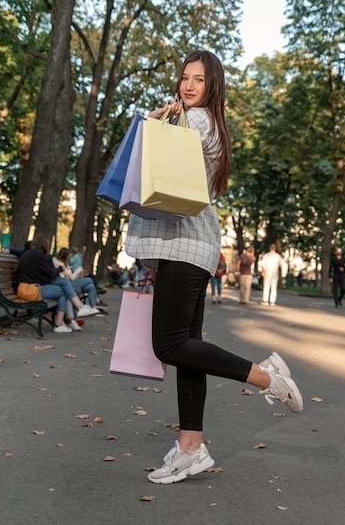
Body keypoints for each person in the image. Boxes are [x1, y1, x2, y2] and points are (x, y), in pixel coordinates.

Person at [124, 50, 303, 485]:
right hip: (186, 247)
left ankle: (267, 378)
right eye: (184, 78)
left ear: (212, 86)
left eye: (198, 80)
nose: (188, 86)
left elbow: (153, 168)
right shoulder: (197, 122)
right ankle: (190, 448)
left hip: (185, 246)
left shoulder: (197, 121)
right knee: (188, 351)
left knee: (169, 346)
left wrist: (150, 123)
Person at [15, 235, 99, 333]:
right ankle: (78, 309)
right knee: (63, 285)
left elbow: (44, 275)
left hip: (31, 287)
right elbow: (48, 274)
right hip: (28, 289)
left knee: (63, 288)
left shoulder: (34, 254)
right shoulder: (37, 254)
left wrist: (58, 272)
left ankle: (63, 322)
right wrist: (59, 269)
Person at [53, 248, 108, 315]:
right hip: (68, 284)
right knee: (89, 279)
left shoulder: (65, 264)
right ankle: (97, 300)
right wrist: (77, 271)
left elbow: (70, 275)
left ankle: (93, 308)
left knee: (90, 287)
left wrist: (78, 274)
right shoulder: (58, 264)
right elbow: (70, 278)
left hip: (72, 282)